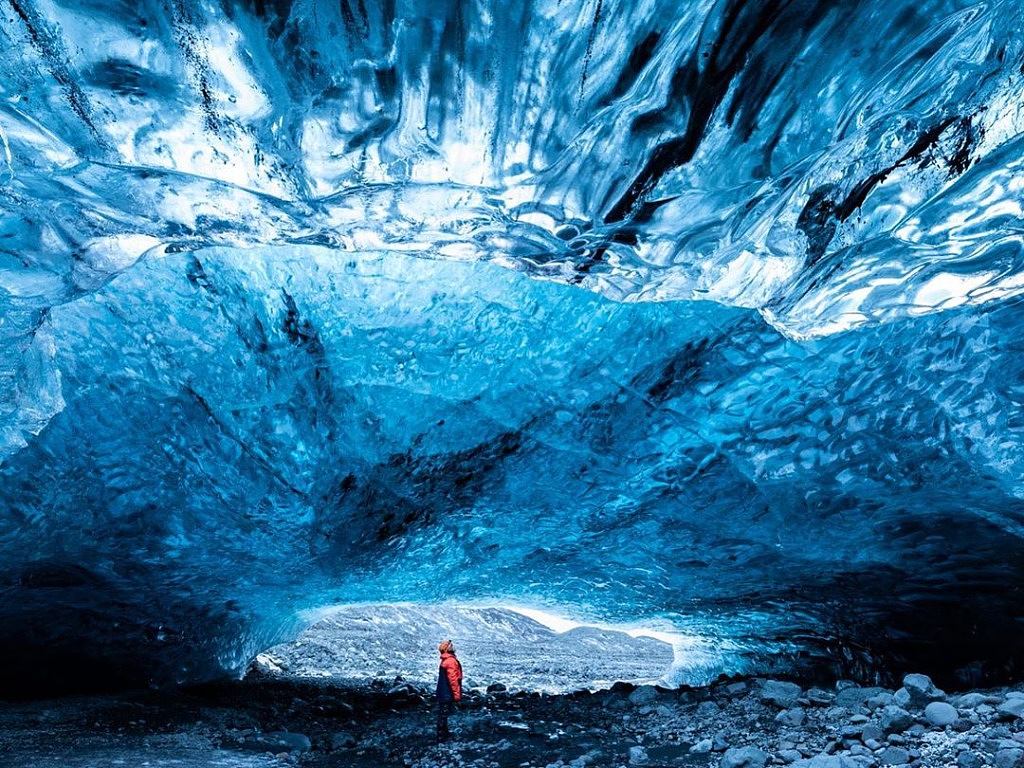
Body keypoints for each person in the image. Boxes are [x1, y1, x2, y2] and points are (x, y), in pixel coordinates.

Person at [435, 639, 463, 742]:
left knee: (443, 714)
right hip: (447, 693)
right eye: (451, 645)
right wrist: (457, 696)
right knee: (443, 714)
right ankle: (441, 737)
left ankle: (443, 734)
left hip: (443, 692)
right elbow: (453, 680)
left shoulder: (445, 660)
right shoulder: (451, 661)